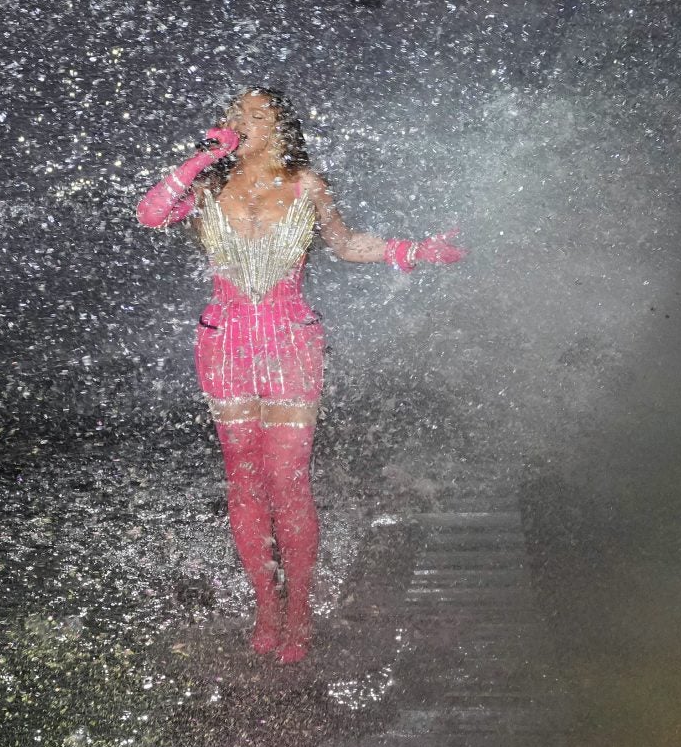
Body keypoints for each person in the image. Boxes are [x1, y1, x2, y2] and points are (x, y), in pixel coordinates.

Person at [136, 91, 464, 664]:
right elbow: (150, 213)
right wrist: (198, 160)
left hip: (291, 342)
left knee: (288, 480)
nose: (240, 122)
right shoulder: (208, 187)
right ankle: (267, 604)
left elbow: (346, 244)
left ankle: (299, 611)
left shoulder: (307, 186)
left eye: (254, 115)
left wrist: (415, 250)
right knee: (244, 480)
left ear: (281, 128)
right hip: (224, 344)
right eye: (234, 114)